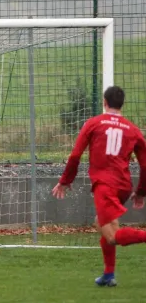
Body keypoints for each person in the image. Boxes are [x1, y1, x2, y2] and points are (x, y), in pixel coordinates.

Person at [52, 86, 146, 287]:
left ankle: (112, 272)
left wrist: (65, 180)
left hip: (105, 185)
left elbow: (76, 155)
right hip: (124, 186)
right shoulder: (133, 130)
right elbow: (145, 165)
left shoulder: (93, 123)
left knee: (112, 236)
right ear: (122, 104)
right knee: (101, 223)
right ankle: (108, 274)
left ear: (104, 102)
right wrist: (140, 192)